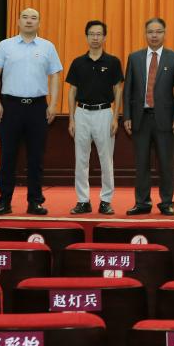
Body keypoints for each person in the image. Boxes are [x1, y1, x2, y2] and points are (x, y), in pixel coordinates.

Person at [0, 7, 63, 216]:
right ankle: (4, 202)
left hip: (38, 107)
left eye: (34, 18)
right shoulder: (5, 45)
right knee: (7, 156)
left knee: (36, 157)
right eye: (25, 17)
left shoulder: (48, 46)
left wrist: (53, 104)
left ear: (39, 23)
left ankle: (35, 202)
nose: (29, 21)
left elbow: (55, 76)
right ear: (18, 21)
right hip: (10, 106)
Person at [121, 17, 174, 216]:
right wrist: (127, 116)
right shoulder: (134, 58)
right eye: (150, 31)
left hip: (165, 120)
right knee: (141, 164)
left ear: (164, 34)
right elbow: (128, 90)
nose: (154, 35)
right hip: (140, 119)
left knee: (166, 164)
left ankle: (166, 203)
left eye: (158, 31)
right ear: (145, 34)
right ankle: (142, 202)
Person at [65, 20, 123, 216]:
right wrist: (71, 119)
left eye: (99, 34)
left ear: (105, 37)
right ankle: (83, 201)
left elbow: (118, 89)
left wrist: (115, 118)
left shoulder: (113, 62)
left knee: (106, 160)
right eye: (92, 34)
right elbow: (72, 91)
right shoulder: (78, 62)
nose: (95, 38)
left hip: (104, 113)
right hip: (81, 113)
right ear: (86, 37)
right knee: (81, 159)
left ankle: (106, 201)